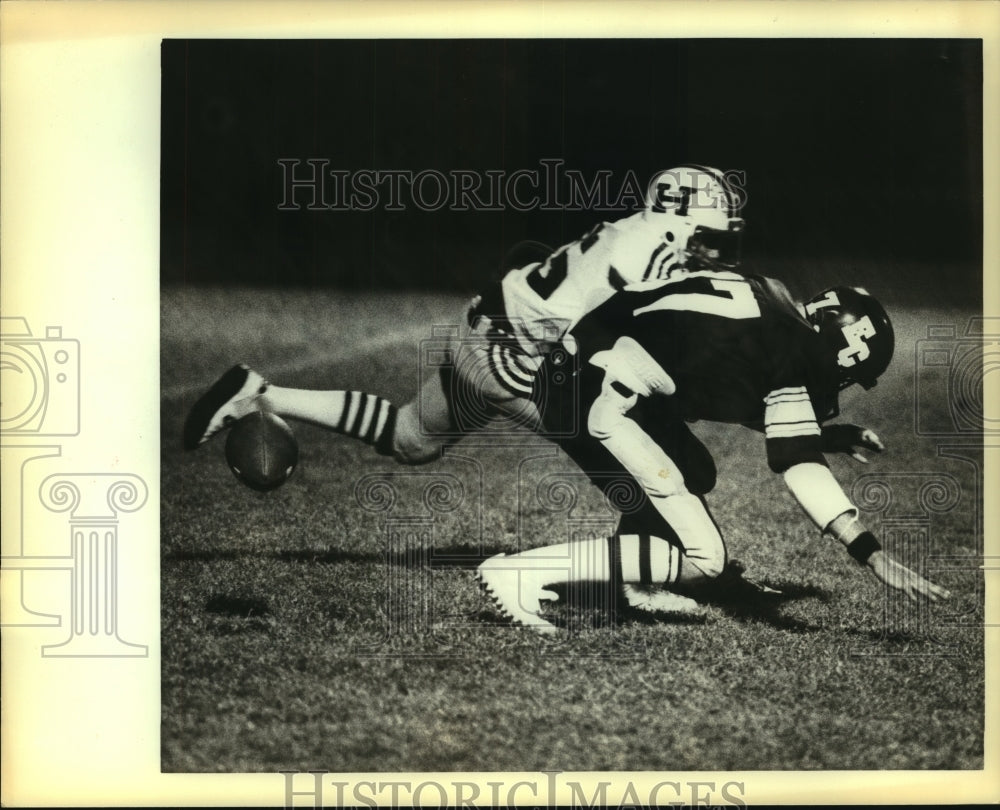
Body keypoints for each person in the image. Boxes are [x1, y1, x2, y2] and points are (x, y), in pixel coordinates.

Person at [474, 272, 951, 634]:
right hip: (600, 393)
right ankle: (518, 572)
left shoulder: (771, 296)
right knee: (706, 559)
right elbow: (801, 469)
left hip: (593, 364)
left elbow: (731, 390)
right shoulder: (795, 351)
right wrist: (871, 553)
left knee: (693, 469)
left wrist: (825, 435)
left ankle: (635, 585)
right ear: (839, 349)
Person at [182, 165, 748, 462]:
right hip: (509, 356)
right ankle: (654, 570)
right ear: (680, 221)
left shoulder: (638, 233)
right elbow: (625, 347)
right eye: (712, 237)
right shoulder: (650, 253)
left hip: (486, 327)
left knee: (412, 439)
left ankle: (261, 394)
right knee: (622, 448)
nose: (719, 250)